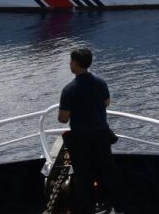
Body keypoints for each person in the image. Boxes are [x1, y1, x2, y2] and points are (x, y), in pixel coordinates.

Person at [58, 48, 114, 214]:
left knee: (84, 175)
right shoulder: (101, 83)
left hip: (82, 140)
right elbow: (107, 103)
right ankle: (107, 205)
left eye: (70, 61)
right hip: (102, 137)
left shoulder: (69, 90)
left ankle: (87, 208)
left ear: (75, 63)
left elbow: (63, 118)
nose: (70, 64)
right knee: (105, 171)